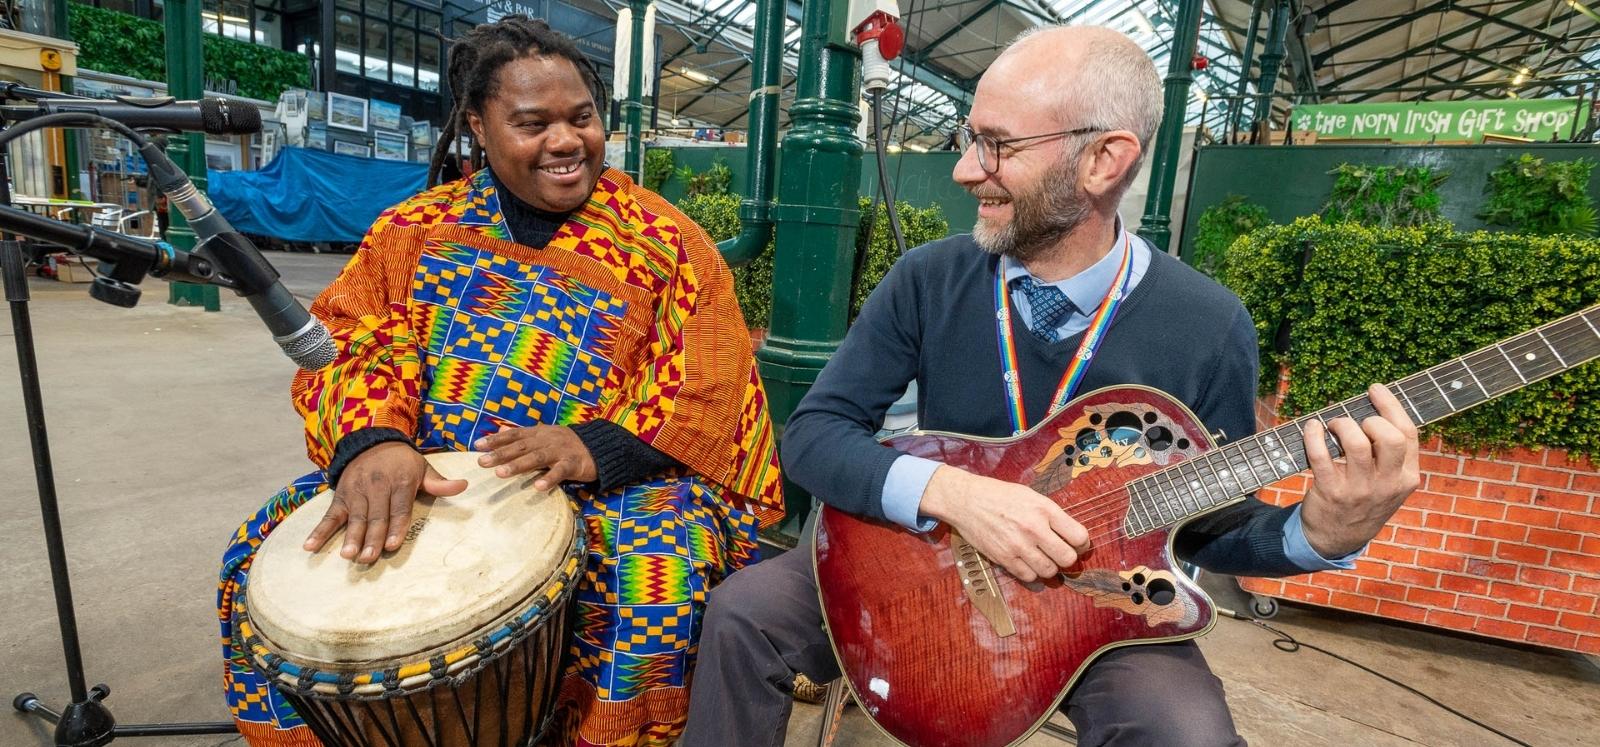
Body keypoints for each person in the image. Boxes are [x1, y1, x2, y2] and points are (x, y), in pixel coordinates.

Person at [680, 25, 1420, 747]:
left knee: (1185, 731)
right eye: (972, 139)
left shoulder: (1209, 324)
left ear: (1104, 159)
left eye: (996, 145)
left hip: (1096, 608)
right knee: (744, 616)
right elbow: (813, 436)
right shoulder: (929, 279)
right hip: (919, 565)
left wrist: (1323, 534)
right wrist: (954, 492)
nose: (966, 169)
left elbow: (1214, 527)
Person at [217, 16, 784, 747]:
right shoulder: (412, 230)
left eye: (581, 118)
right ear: (479, 128)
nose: (566, 141)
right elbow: (352, 342)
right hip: (434, 472)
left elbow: (711, 383)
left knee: (655, 573)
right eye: (532, 122)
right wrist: (371, 443)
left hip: (622, 484)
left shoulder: (669, 241)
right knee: (258, 552)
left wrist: (597, 447)